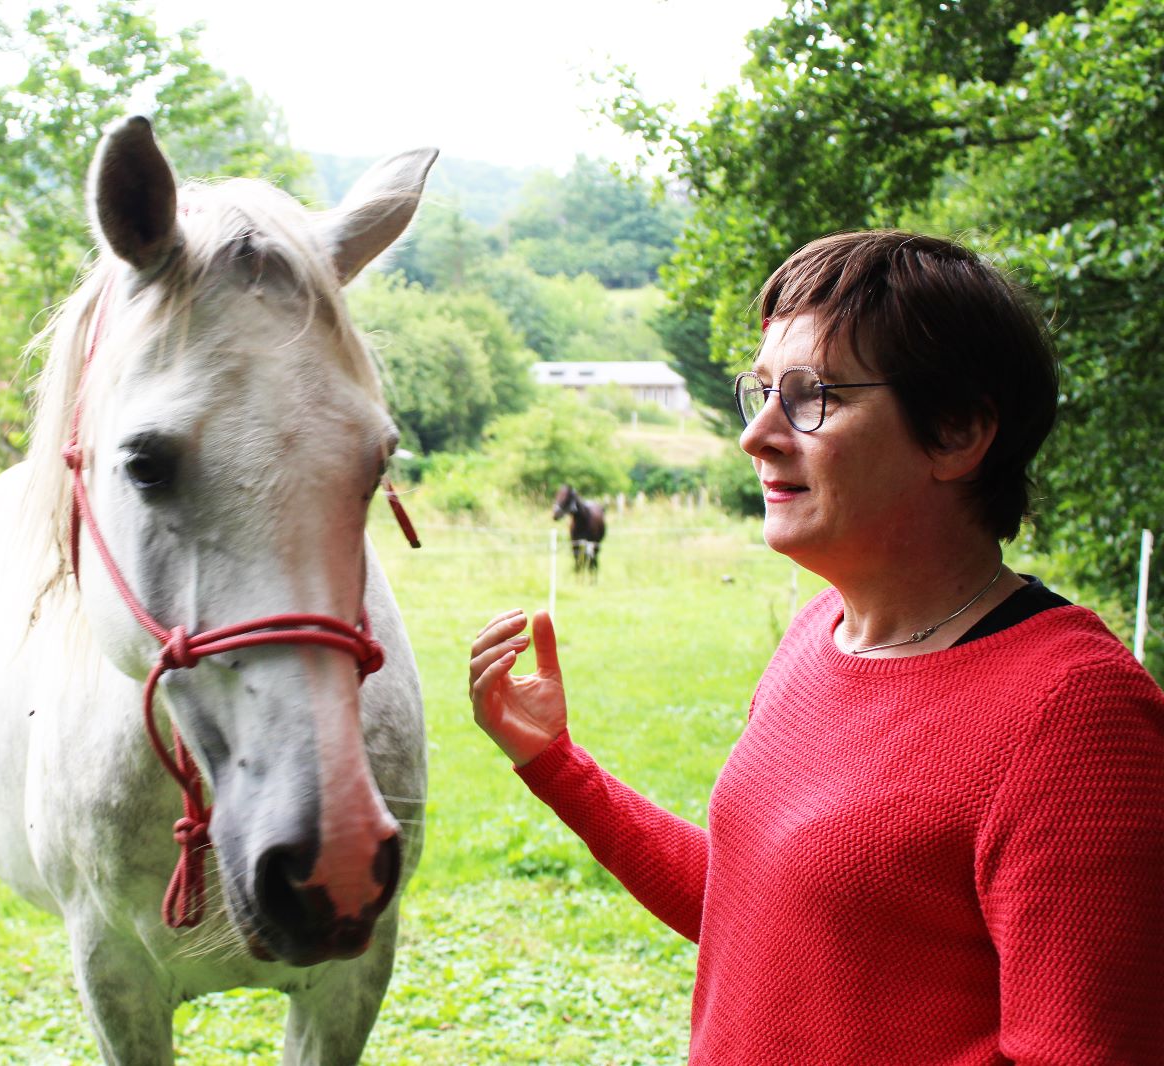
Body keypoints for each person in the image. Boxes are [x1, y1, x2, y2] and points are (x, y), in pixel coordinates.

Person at [469, 230, 1164, 1064]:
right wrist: (558, 767)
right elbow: (757, 914)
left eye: (811, 396)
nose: (756, 435)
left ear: (957, 433)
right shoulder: (819, 634)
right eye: (760, 392)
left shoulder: (1077, 716)